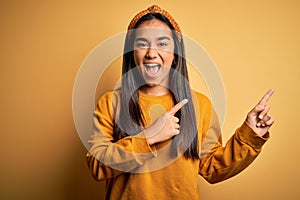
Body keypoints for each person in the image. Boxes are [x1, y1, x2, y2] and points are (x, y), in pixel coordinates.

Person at [86, 5, 274, 200]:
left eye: (162, 43)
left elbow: (213, 168)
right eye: (142, 43)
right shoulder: (111, 103)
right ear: (132, 53)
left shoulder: (200, 105)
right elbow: (96, 165)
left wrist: (250, 135)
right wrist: (148, 137)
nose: (151, 52)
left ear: (176, 53)